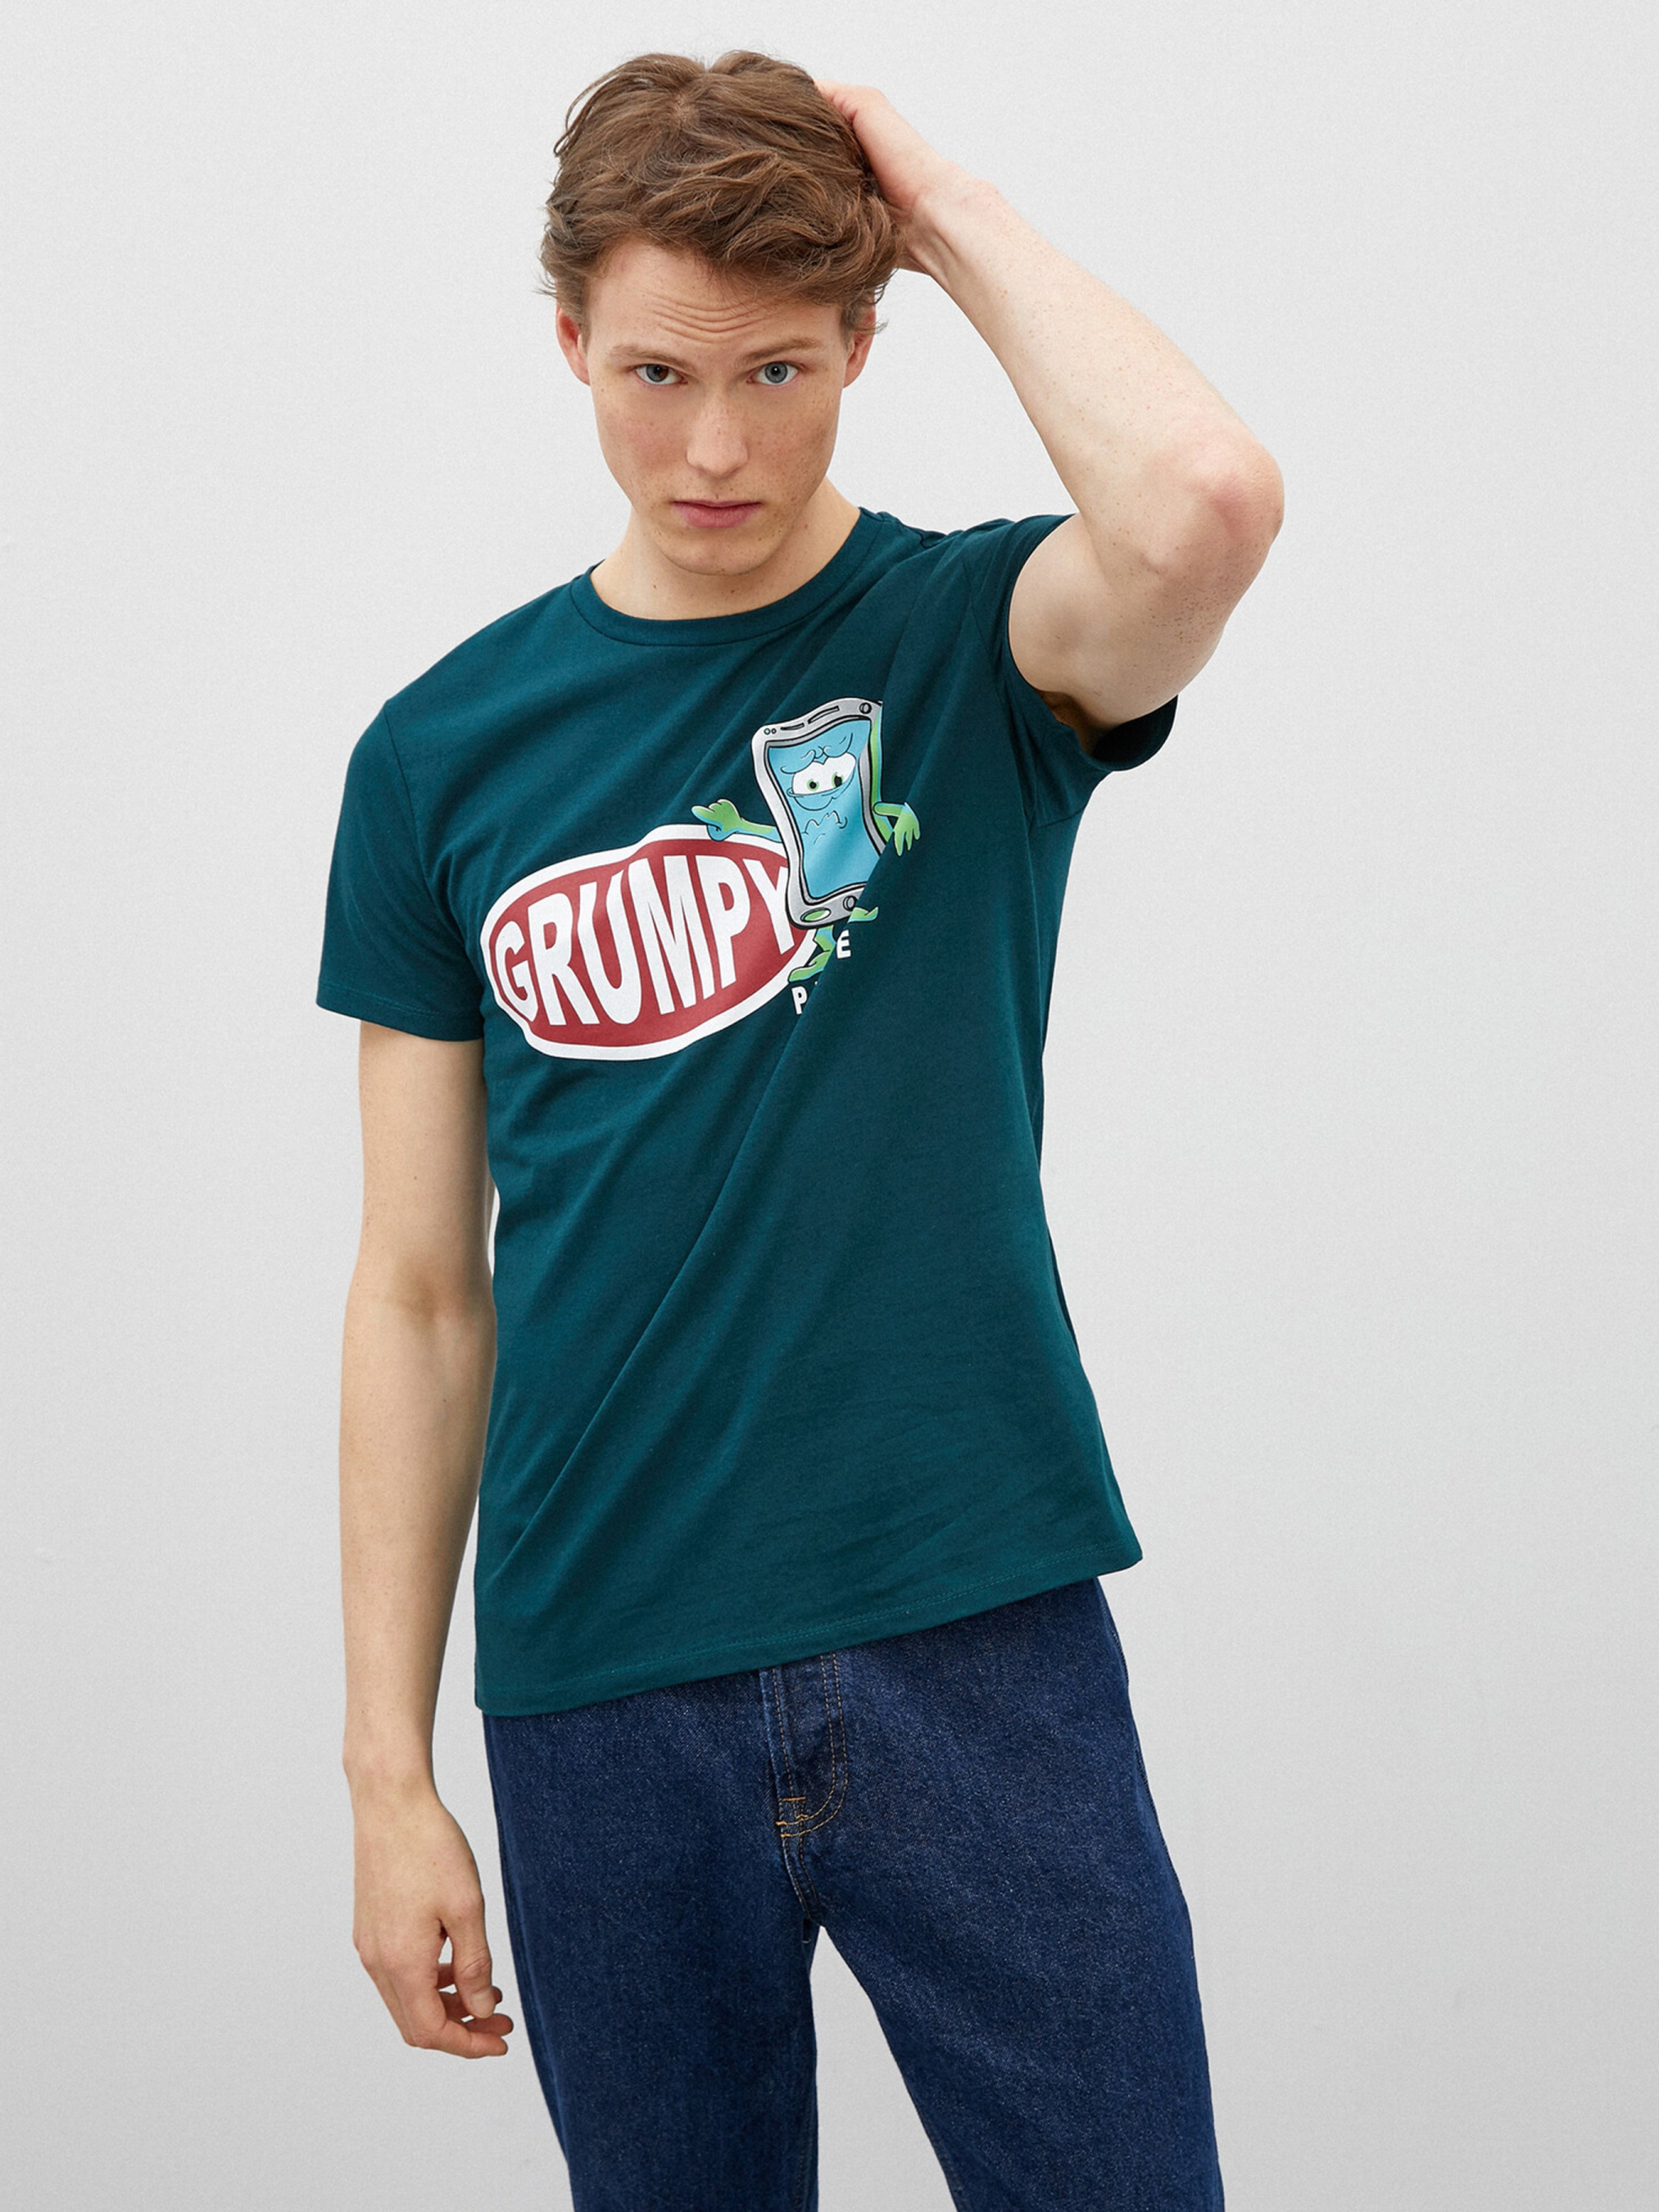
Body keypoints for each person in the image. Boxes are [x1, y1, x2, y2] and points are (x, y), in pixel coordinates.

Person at [318, 49, 1281, 2212]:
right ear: (568, 339)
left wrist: (928, 207)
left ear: (863, 339)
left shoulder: (973, 646)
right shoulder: (439, 756)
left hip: (973, 1628)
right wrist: (387, 1770)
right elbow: (416, 1291)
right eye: (655, 371)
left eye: (779, 368)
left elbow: (1206, 502)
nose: (717, 446)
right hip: (598, 1674)